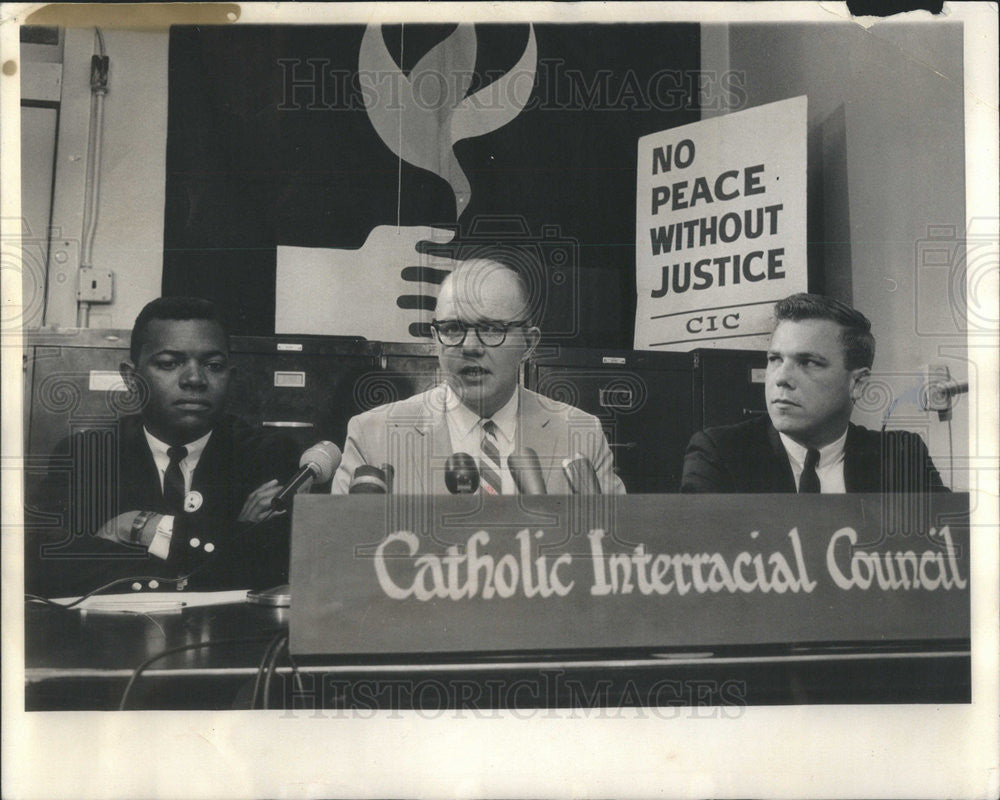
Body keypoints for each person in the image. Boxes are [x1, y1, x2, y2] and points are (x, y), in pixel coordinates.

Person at [26, 297, 300, 597]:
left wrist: (141, 527)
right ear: (132, 379)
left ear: (230, 378)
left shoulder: (267, 453)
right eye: (169, 364)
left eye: (213, 365)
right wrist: (227, 542)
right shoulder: (87, 455)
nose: (195, 379)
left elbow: (278, 565)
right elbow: (43, 568)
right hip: (115, 641)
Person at [332, 258, 625, 494]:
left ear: (529, 343)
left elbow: (615, 553)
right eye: (453, 329)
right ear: (435, 339)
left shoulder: (581, 435)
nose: (470, 346)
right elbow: (340, 556)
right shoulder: (372, 436)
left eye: (491, 329)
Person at [681, 293, 948, 493]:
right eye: (775, 359)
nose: (781, 378)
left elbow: (947, 553)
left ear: (858, 384)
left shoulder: (902, 456)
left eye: (808, 362)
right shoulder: (721, 454)